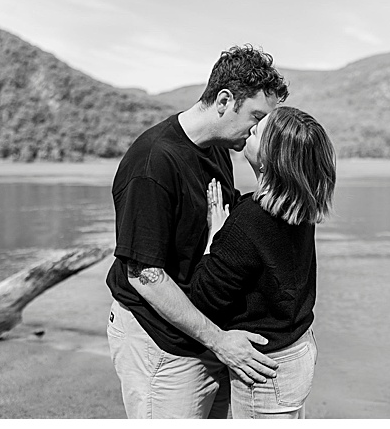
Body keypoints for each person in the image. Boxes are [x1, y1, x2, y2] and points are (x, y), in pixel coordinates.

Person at [106, 44, 288, 419]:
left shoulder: (219, 147)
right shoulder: (153, 164)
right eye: (256, 116)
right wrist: (219, 342)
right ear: (224, 101)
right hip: (162, 341)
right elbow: (145, 276)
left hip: (202, 334)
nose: (259, 130)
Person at [186, 106, 336, 419]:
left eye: (258, 131)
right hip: (297, 350)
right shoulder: (300, 207)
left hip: (265, 370)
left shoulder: (248, 222)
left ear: (269, 158)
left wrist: (216, 234)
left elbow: (203, 296)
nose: (250, 129)